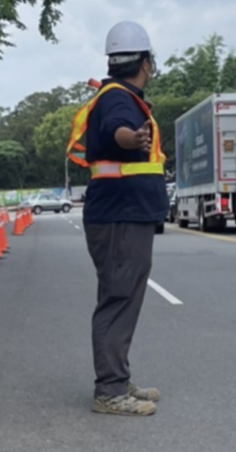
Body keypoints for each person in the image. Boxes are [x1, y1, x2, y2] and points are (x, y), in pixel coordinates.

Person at [66, 21, 167, 416]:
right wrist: (133, 138)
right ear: (145, 63)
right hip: (120, 216)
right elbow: (117, 131)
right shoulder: (119, 100)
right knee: (119, 297)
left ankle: (118, 379)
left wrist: (131, 137)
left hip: (122, 214)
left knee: (123, 295)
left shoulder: (119, 97)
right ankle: (109, 390)